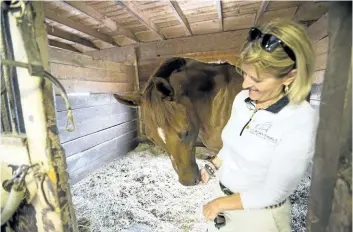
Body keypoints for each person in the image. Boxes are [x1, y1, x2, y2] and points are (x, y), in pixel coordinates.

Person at [200, 19, 320, 232]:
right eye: (244, 73)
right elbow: (232, 143)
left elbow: (274, 191)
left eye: (257, 79)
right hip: (225, 202)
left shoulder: (300, 119)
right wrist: (213, 165)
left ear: (289, 77)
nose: (245, 84)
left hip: (260, 218)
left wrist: (219, 204)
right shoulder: (242, 99)